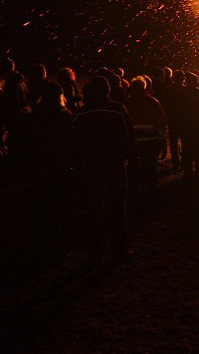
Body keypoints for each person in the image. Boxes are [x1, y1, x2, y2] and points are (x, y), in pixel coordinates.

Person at [73, 76, 134, 263]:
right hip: (115, 165)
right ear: (108, 91)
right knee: (117, 208)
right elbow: (129, 138)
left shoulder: (82, 113)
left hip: (91, 166)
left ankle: (95, 250)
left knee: (93, 208)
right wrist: (131, 159)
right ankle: (119, 249)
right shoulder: (118, 109)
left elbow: (75, 142)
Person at [23, 82, 73, 260]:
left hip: (38, 167)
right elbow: (70, 143)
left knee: (39, 206)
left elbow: (27, 143)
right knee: (56, 207)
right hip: (57, 167)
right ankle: (55, 245)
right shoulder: (63, 116)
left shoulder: (33, 116)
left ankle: (39, 243)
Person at [125, 77, 167, 195]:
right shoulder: (152, 102)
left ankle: (133, 192)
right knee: (150, 167)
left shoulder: (127, 103)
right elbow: (162, 120)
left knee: (133, 168)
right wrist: (159, 137)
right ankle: (151, 190)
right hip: (151, 142)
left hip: (133, 143)